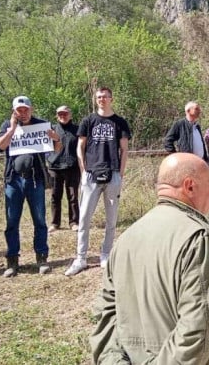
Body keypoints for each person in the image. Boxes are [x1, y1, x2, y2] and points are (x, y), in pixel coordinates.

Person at [89, 153, 209, 365]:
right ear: (189, 186)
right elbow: (196, 334)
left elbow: (105, 319)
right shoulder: (197, 239)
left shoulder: (125, 240)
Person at [65, 87, 131, 276]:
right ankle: (81, 258)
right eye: (99, 97)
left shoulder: (120, 122)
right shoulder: (88, 121)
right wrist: (83, 169)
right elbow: (80, 146)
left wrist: (121, 172)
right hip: (91, 175)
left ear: (111, 99)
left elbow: (124, 149)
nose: (102, 99)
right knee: (84, 217)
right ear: (96, 100)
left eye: (105, 97)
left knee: (111, 219)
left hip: (113, 174)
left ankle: (105, 254)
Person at [0, 95, 62, 277]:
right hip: (13, 181)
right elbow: (0, 146)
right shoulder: (7, 126)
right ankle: (12, 261)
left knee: (39, 220)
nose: (23, 113)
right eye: (19, 110)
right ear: (14, 112)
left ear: (31, 110)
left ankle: (41, 258)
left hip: (35, 180)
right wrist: (12, 129)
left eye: (26, 110)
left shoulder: (41, 125)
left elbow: (57, 148)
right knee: (12, 221)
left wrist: (56, 138)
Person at [47, 105, 80, 233]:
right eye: (60, 114)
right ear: (57, 116)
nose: (63, 116)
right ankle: (55, 223)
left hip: (72, 167)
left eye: (65, 114)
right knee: (55, 196)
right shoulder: (51, 130)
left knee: (73, 196)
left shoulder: (78, 130)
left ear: (70, 115)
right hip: (55, 167)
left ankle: (74, 222)